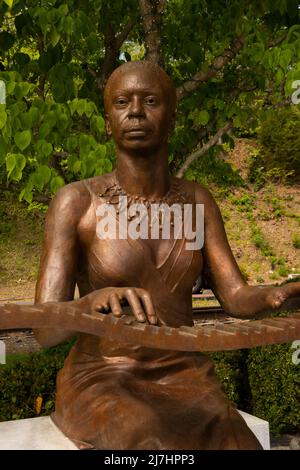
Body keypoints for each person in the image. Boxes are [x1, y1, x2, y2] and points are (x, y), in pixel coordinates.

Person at [34, 60, 300, 450]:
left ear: (172, 117)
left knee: (234, 434)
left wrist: (275, 294)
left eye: (151, 100)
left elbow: (236, 297)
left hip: (183, 373)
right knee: (141, 435)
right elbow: (44, 329)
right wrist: (91, 302)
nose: (136, 112)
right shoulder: (77, 203)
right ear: (108, 121)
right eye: (122, 102)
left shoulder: (197, 201)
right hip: (104, 375)